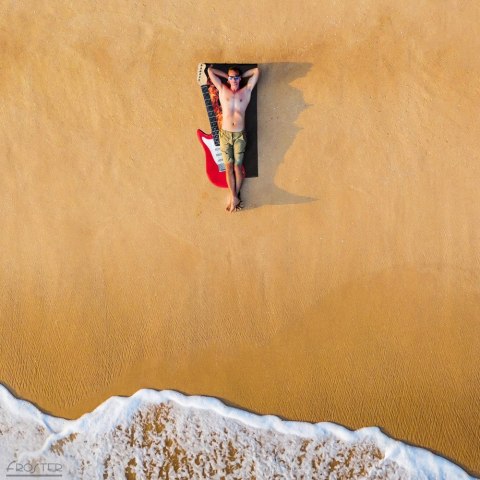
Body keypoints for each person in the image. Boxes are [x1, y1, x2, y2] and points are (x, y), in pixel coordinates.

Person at [207, 65, 260, 212]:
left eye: (236, 77)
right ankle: (234, 196)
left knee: (237, 167)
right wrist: (227, 77)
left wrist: (241, 77)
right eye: (231, 78)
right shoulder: (223, 90)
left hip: (239, 135)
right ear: (228, 79)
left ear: (240, 78)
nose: (234, 80)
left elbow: (256, 72)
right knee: (228, 167)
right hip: (225, 134)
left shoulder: (246, 90)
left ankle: (234, 197)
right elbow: (210, 71)